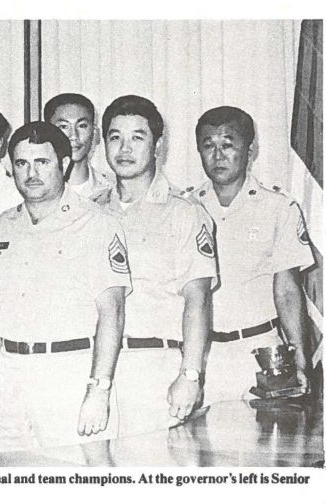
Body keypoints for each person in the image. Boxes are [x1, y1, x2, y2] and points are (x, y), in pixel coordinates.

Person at [0, 121, 130, 452]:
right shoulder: (2, 225)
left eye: (42, 162)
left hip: (69, 372)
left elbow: (113, 312)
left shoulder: (97, 223)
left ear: (64, 165)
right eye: (22, 163)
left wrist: (99, 389)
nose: (31, 173)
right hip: (13, 374)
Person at [99, 95, 216, 436]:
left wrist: (190, 375)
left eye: (137, 137)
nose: (124, 148)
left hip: (154, 368)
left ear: (158, 146)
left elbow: (199, 300)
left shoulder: (183, 212)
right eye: (115, 136)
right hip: (93, 370)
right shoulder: (90, 213)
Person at [190, 106, 314, 404]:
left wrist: (299, 357)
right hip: (202, 356)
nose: (218, 155)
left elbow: (287, 290)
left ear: (250, 149)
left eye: (228, 144)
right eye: (208, 145)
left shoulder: (278, 207)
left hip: (262, 353)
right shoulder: (185, 207)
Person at [44, 93, 114, 203]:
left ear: (94, 133)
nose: (74, 136)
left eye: (82, 126)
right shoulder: (33, 188)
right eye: (64, 126)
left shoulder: (112, 189)